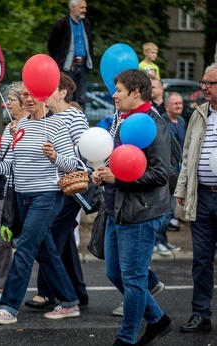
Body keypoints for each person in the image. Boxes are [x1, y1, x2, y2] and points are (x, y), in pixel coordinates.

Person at [92, 69, 173, 345]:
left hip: (140, 213)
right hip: (117, 210)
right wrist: (103, 172)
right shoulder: (123, 121)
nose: (113, 95)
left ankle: (126, 339)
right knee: (115, 273)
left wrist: (119, 180)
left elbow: (161, 174)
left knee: (134, 279)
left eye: (119, 91)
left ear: (135, 92)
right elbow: (121, 162)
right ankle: (158, 320)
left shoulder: (154, 124)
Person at [0, 86, 80, 325]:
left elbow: (73, 164)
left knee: (26, 248)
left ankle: (8, 307)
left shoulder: (57, 125)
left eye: (32, 95)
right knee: (45, 250)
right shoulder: (20, 126)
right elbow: (7, 165)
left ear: (43, 96)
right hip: (21, 195)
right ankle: (69, 301)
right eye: (25, 95)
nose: (28, 99)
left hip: (47, 196)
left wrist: (54, 158)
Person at [25, 73, 90, 310]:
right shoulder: (46, 117)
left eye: (50, 88)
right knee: (64, 243)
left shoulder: (74, 115)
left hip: (71, 187)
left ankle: (47, 292)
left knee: (48, 237)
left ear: (63, 92)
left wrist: (61, 149)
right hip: (52, 186)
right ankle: (78, 293)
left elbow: (84, 150)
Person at [175, 63, 217, 334]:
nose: (203, 87)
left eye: (209, 84)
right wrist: (181, 189)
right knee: (201, 259)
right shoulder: (199, 114)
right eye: (203, 82)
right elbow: (188, 155)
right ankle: (200, 314)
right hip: (201, 196)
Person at [0, 81, 26, 294]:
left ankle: (45, 289)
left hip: (24, 192)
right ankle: (1, 286)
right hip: (5, 192)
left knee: (29, 245)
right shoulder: (8, 126)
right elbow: (5, 161)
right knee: (0, 240)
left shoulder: (35, 124)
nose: (7, 104)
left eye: (11, 100)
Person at [47, 0, 93, 110]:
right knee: (66, 95)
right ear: (72, 8)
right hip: (67, 66)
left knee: (81, 98)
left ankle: (81, 123)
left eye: (85, 7)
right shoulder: (62, 24)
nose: (84, 10)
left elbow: (89, 43)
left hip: (83, 65)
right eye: (82, 8)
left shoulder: (86, 23)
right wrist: (60, 60)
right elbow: (51, 45)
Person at [154, 92, 185, 255]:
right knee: (164, 210)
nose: (179, 106)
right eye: (175, 104)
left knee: (171, 211)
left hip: (179, 173)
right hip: (166, 172)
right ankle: (157, 241)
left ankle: (164, 240)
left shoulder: (181, 121)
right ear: (167, 106)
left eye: (180, 103)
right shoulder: (162, 122)